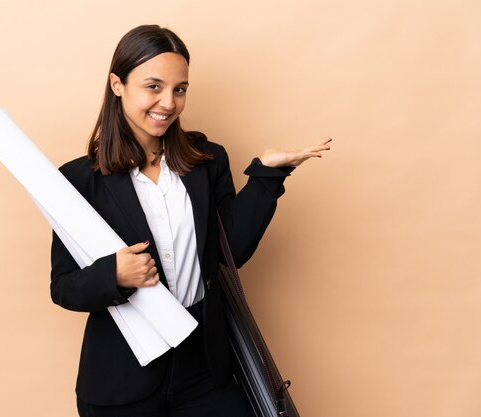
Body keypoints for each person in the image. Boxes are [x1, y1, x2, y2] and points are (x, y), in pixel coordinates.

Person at [50, 24, 331, 417]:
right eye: (153, 86)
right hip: (121, 378)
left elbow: (233, 248)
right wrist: (113, 274)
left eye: (179, 89)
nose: (168, 102)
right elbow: (63, 287)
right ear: (118, 84)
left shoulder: (206, 160)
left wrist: (267, 176)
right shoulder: (79, 180)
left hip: (203, 367)